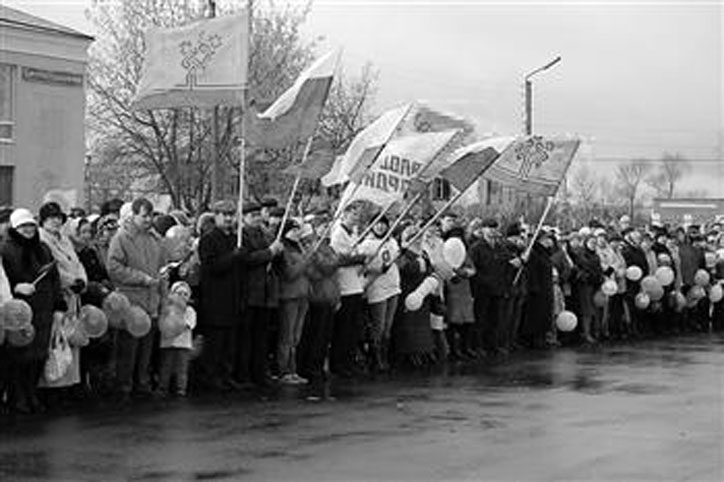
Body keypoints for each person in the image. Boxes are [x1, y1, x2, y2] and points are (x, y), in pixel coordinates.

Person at [1, 208, 68, 414]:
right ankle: (18, 397)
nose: (28, 229)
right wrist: (16, 287)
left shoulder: (43, 248)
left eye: (30, 225)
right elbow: (3, 281)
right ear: (14, 228)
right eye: (23, 226)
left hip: (44, 309)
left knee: (38, 356)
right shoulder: (6, 249)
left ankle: (32, 394)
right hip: (20, 312)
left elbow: (54, 278)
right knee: (19, 356)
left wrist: (58, 305)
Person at [107, 197, 167, 402]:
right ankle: (123, 387)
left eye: (151, 215)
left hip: (151, 301)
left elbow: (162, 271)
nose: (149, 220)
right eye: (144, 216)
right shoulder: (121, 238)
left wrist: (163, 297)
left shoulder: (156, 239)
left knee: (146, 349)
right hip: (130, 301)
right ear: (133, 215)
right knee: (128, 349)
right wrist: (141, 278)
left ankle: (141, 384)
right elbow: (114, 268)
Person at [37, 202, 88, 398]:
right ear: (43, 220)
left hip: (73, 296)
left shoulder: (65, 240)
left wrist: (82, 281)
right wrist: (69, 282)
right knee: (56, 339)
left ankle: (68, 384)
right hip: (57, 295)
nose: (56, 221)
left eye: (59, 217)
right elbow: (52, 268)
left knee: (71, 338)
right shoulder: (42, 240)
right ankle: (51, 386)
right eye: (51, 217)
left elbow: (77, 263)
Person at [197, 200, 244, 391]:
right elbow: (211, 266)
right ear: (215, 216)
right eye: (224, 215)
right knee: (215, 342)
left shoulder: (235, 238)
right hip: (215, 298)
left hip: (232, 297)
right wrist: (233, 256)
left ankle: (226, 374)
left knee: (229, 342)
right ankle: (212, 376)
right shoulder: (209, 239)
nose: (228, 219)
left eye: (231, 215)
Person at [240, 202, 284, 388]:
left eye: (258, 215)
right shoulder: (241, 236)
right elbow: (247, 259)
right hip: (250, 291)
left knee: (261, 337)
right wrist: (269, 252)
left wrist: (277, 252)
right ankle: (245, 373)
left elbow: (275, 260)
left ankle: (259, 371)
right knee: (247, 337)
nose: (256, 219)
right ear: (244, 218)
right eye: (252, 216)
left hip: (266, 291)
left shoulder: (266, 234)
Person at [358, 215, 401, 372]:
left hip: (393, 286)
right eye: (377, 224)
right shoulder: (366, 244)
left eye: (383, 224)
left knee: (388, 326)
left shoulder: (392, 241)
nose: (380, 227)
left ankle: (384, 356)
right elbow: (361, 267)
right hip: (377, 287)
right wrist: (376, 269)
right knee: (379, 325)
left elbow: (396, 258)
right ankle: (376, 358)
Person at [329, 203, 367, 378]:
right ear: (344, 215)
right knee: (343, 330)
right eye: (352, 215)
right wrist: (358, 258)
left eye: (357, 216)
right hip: (344, 286)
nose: (355, 219)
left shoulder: (354, 234)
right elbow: (340, 260)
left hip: (355, 285)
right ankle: (339, 363)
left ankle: (349, 361)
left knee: (353, 329)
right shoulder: (338, 234)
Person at [277, 222, 314, 384]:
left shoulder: (300, 248)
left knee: (296, 336)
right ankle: (283, 370)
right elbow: (289, 273)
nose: (296, 233)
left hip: (303, 294)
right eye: (293, 230)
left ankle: (293, 369)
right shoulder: (283, 249)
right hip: (289, 295)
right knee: (287, 334)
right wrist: (304, 262)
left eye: (298, 230)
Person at [159, 281, 196, 397]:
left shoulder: (189, 310)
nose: (182, 296)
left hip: (184, 345)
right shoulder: (167, 309)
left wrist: (178, 323)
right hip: (168, 343)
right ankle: (163, 387)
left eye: (185, 294)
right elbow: (162, 323)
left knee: (182, 368)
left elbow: (190, 324)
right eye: (179, 293)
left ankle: (181, 389)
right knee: (166, 366)